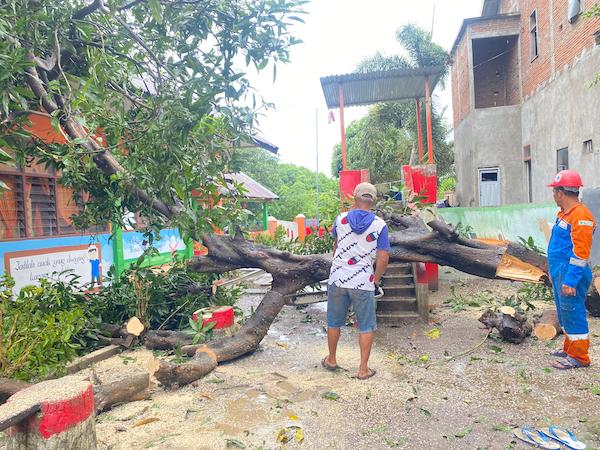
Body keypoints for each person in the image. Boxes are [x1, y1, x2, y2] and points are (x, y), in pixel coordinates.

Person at [322, 182, 390, 379]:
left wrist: (340, 265)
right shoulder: (380, 225)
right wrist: (375, 280)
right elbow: (383, 257)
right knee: (366, 325)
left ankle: (332, 359)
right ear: (373, 200)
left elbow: (336, 246)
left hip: (338, 278)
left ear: (355, 198)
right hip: (362, 281)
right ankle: (362, 369)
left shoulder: (340, 219)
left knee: (334, 321)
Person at [547, 170, 596, 369]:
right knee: (564, 312)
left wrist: (570, 281)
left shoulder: (581, 216)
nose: (553, 195)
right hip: (560, 271)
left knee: (572, 311)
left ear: (560, 193)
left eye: (554, 191)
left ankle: (580, 357)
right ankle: (569, 348)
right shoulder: (564, 214)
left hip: (571, 273)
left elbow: (581, 254)